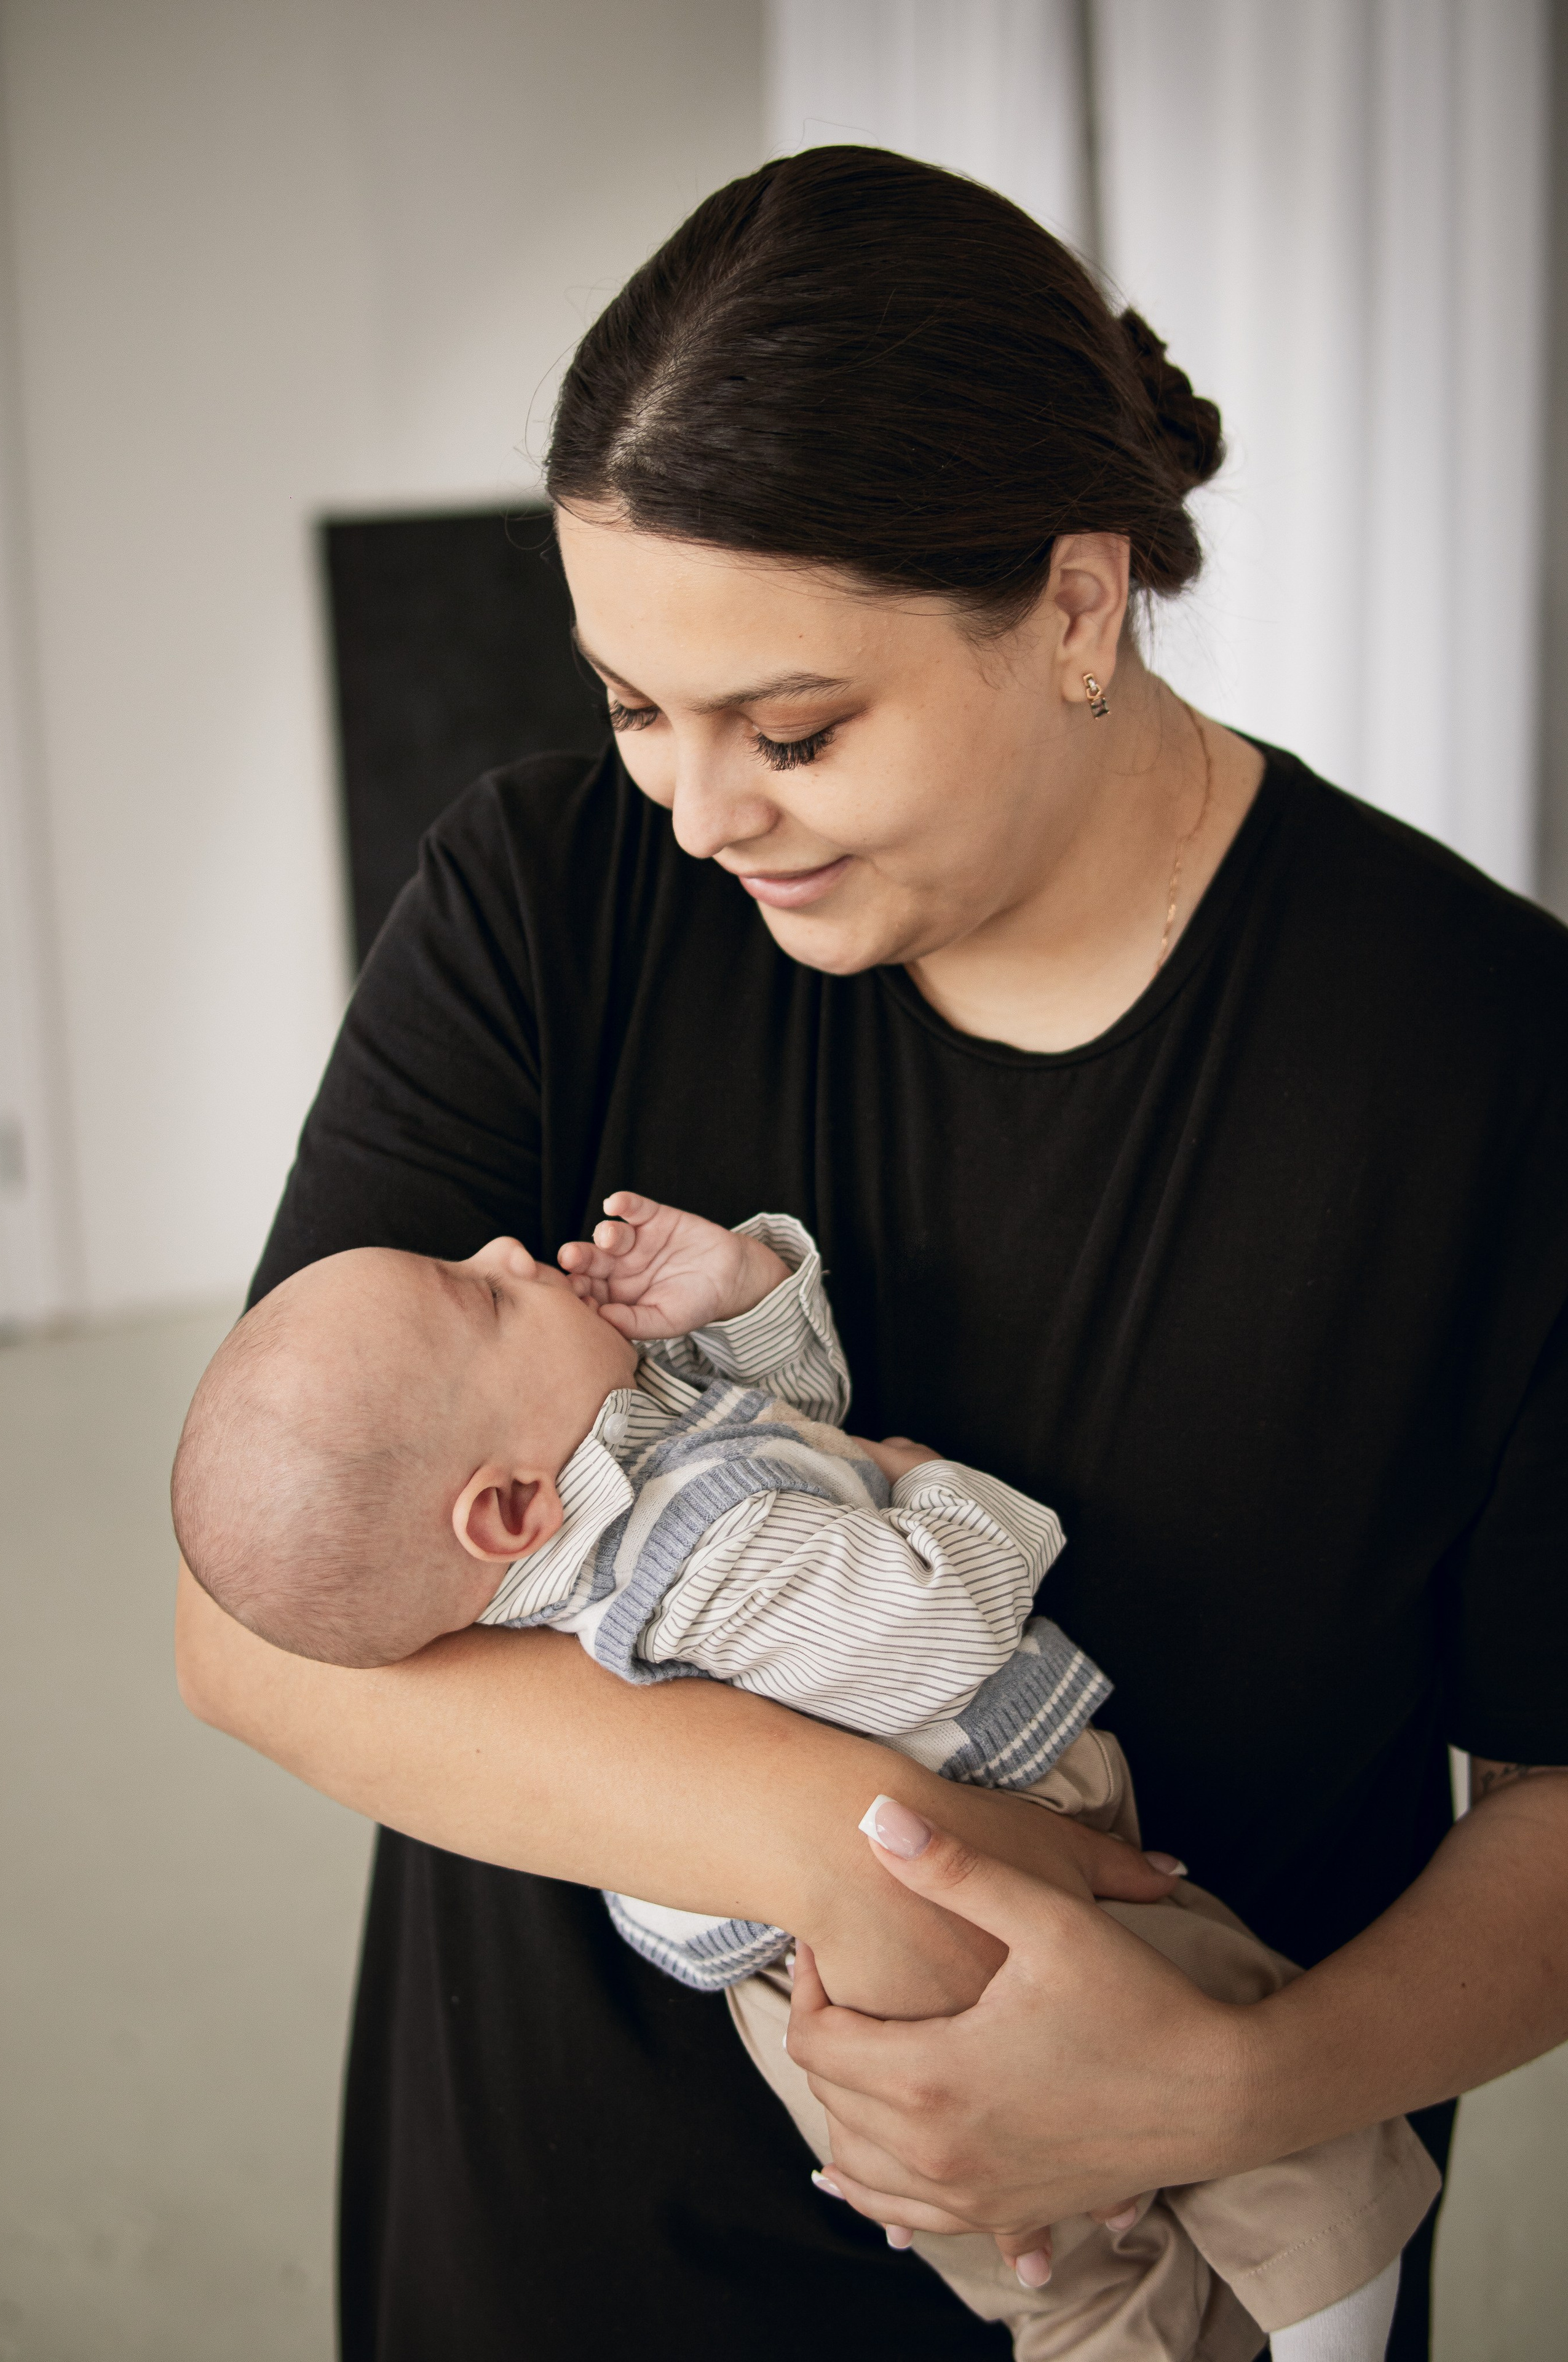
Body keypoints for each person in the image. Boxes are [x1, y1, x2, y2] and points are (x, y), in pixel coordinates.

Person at [173, 147, 1568, 2362]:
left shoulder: (1485, 1062)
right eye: (636, 704)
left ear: (1079, 605)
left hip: (1187, 2262)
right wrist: (874, 1845)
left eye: (792, 730)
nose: (699, 813)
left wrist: (1229, 2082)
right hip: (567, 2256)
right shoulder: (550, 900)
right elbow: (248, 1629)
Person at [173, 1189, 1435, 2359]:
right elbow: (935, 1614)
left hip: (816, 2013)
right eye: (484, 1295)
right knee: (1231, 2074)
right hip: (989, 1853)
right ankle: (1336, 2316)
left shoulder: (587, 1498)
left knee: (1049, 2262)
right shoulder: (694, 1552)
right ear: (501, 1512)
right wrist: (927, 1480)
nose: (503, 1249)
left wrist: (741, 1292)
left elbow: (781, 1433)